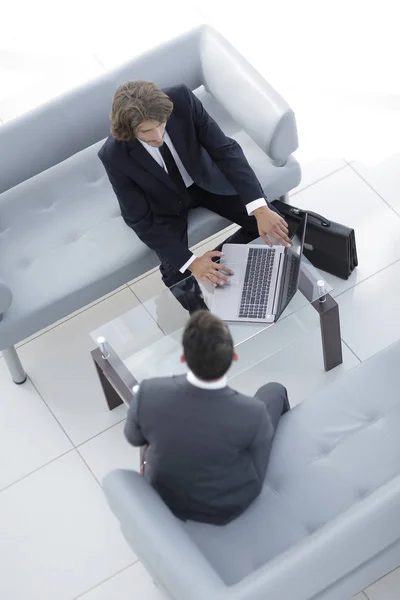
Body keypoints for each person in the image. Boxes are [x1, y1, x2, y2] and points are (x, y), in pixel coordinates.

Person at [99, 80, 290, 313]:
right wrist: (192, 262)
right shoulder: (113, 155)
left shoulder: (182, 99)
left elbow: (224, 151)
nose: (158, 136)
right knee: (174, 272)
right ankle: (204, 320)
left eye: (161, 124)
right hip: (164, 204)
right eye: (146, 131)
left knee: (273, 223)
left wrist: (259, 208)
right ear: (129, 129)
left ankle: (218, 265)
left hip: (205, 181)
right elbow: (139, 219)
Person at [124, 311, 290, 525]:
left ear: (183, 357)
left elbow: (133, 438)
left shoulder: (148, 392)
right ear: (233, 357)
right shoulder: (252, 412)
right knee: (273, 390)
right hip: (228, 506)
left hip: (168, 500)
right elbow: (257, 448)